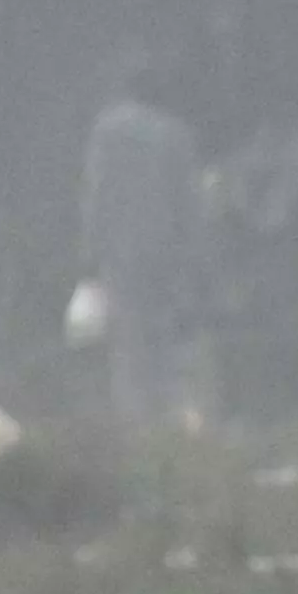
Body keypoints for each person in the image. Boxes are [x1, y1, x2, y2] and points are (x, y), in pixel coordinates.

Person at [79, 60, 211, 429]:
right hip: (165, 251)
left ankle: (133, 420)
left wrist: (89, 253)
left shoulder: (106, 130)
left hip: (118, 251)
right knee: (164, 340)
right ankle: (169, 416)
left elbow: (96, 194)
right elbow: (189, 202)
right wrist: (197, 258)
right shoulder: (176, 134)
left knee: (126, 341)